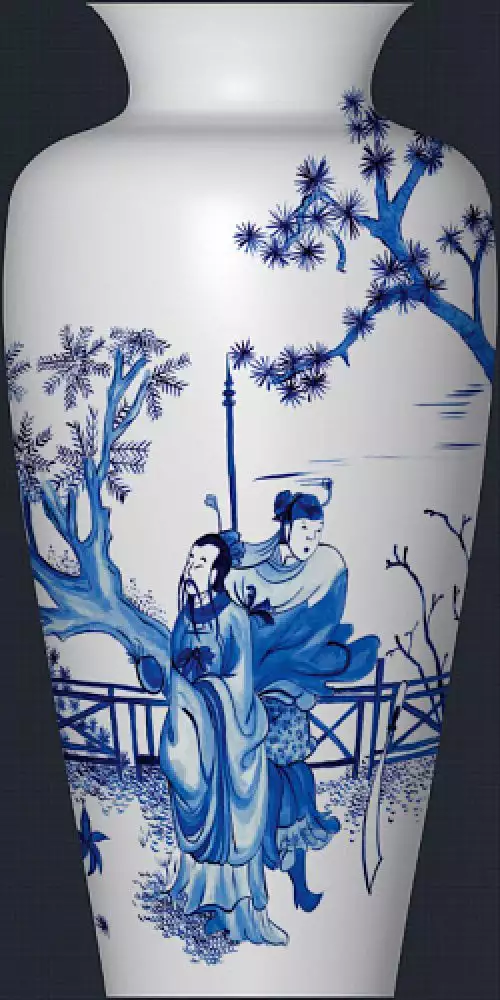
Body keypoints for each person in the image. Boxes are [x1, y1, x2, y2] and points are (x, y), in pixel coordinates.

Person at [226, 485, 380, 913]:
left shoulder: (322, 570)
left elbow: (318, 627)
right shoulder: (249, 571)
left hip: (291, 697)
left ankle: (298, 881)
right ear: (286, 528)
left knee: (295, 779)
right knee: (263, 789)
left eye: (317, 532)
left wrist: (298, 662)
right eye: (305, 531)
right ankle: (253, 890)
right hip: (249, 699)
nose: (311, 540)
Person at [137, 533, 288, 946]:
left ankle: (237, 910)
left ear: (218, 572)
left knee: (231, 817)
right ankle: (203, 895)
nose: (192, 567)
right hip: (197, 728)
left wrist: (206, 691)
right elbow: (176, 669)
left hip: (229, 732)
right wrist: (174, 681)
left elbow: (240, 681)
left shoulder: (233, 616)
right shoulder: (184, 617)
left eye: (201, 562)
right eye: (191, 559)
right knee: (188, 778)